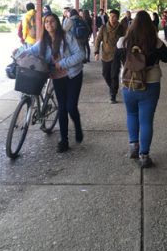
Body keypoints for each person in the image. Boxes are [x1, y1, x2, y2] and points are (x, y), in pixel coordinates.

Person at [114, 11, 167, 168]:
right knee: (146, 121)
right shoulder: (155, 42)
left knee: (131, 114)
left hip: (128, 84)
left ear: (132, 24)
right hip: (150, 83)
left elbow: (117, 59)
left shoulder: (122, 41)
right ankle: (144, 156)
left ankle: (134, 146)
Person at [24, 13, 85, 152]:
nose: (49, 24)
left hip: (73, 75)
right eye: (46, 22)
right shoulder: (44, 41)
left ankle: (77, 126)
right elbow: (31, 51)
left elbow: (80, 54)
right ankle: (64, 140)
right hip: (57, 78)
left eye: (51, 21)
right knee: (62, 108)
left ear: (57, 23)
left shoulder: (66, 37)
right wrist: (19, 53)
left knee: (71, 107)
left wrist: (63, 63)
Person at [94, 9, 125, 104]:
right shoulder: (104, 27)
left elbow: (126, 40)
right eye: (110, 16)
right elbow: (98, 40)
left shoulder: (121, 28)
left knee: (114, 75)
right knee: (105, 74)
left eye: (114, 16)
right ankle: (113, 87)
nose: (112, 18)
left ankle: (113, 95)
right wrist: (96, 52)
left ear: (117, 17)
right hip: (105, 55)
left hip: (116, 56)